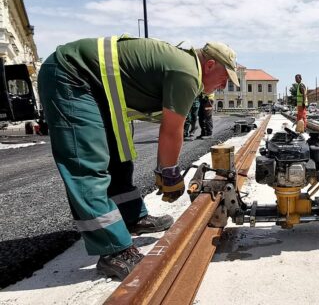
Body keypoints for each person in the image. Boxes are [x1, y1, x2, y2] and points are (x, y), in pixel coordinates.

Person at [37, 37, 239, 279]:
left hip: (97, 88)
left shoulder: (186, 69)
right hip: (71, 76)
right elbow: (172, 129)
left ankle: (131, 216)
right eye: (225, 76)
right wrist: (170, 174)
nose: (224, 83)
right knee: (87, 163)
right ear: (209, 65)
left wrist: (166, 171)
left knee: (118, 154)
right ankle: (114, 250)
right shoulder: (186, 72)